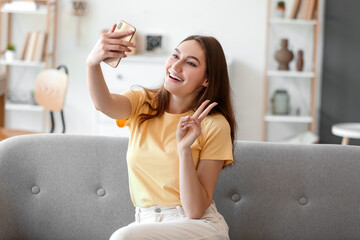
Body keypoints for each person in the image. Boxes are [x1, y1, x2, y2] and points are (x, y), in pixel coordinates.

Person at [86, 23, 236, 240]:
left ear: (207, 79)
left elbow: (194, 211)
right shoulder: (142, 102)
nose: (176, 66)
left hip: (197, 227)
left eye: (190, 63)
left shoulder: (214, 125)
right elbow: (104, 104)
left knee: (123, 238)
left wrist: (184, 149)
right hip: (146, 224)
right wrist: (92, 63)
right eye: (175, 56)